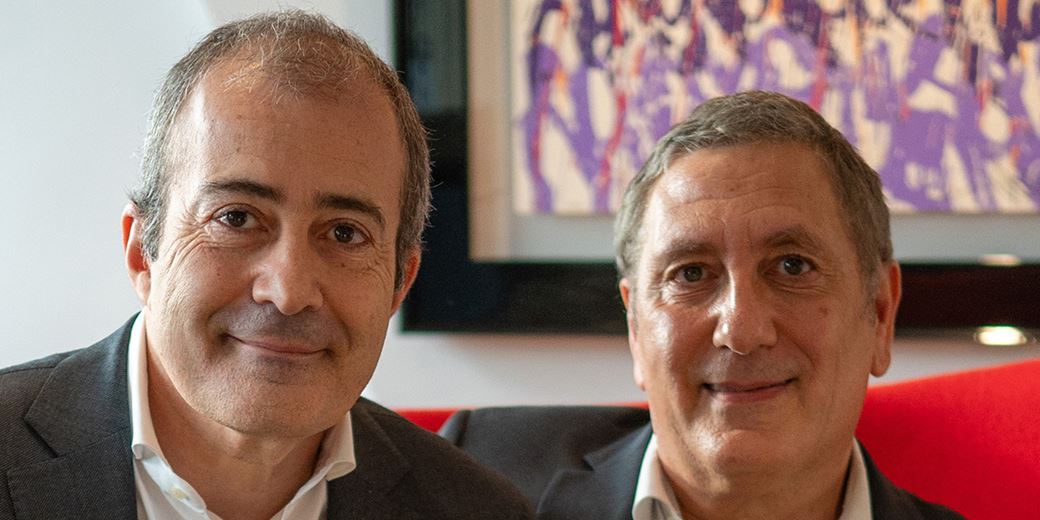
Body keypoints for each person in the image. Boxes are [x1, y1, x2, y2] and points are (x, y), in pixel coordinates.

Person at [0, 11, 531, 520]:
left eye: (345, 233)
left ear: (399, 283)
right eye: (236, 218)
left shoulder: (477, 509)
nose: (288, 291)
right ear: (142, 252)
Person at [441, 91, 964, 519]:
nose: (740, 329)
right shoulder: (473, 476)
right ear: (636, 328)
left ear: (879, 314)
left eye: (792, 267)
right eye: (690, 274)